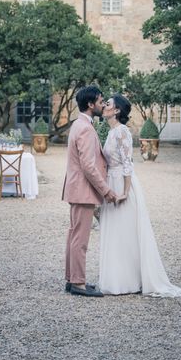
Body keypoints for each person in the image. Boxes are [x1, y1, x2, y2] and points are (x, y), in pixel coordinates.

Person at [99, 94, 181, 298]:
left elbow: (128, 162)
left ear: (117, 110)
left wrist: (125, 192)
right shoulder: (110, 133)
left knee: (125, 233)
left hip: (122, 183)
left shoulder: (122, 132)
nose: (104, 106)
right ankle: (116, 279)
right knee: (115, 233)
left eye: (108, 104)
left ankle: (130, 281)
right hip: (111, 181)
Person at [63, 86, 118, 297]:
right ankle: (78, 283)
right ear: (90, 104)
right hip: (83, 190)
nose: (103, 104)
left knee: (74, 235)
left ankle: (72, 279)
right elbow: (88, 165)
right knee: (80, 239)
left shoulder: (79, 124)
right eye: (100, 101)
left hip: (77, 189)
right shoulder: (85, 128)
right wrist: (106, 191)